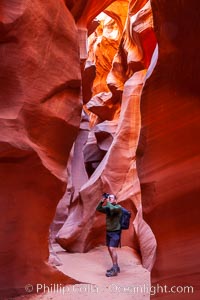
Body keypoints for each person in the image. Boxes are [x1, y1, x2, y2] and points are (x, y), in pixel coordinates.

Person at [96, 193, 122, 277]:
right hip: (109, 232)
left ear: (115, 200)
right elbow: (98, 208)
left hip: (115, 232)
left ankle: (114, 269)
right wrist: (102, 200)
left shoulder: (118, 208)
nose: (109, 199)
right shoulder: (108, 207)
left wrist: (107, 202)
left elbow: (111, 208)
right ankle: (116, 266)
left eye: (111, 198)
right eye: (109, 198)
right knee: (109, 249)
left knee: (112, 248)